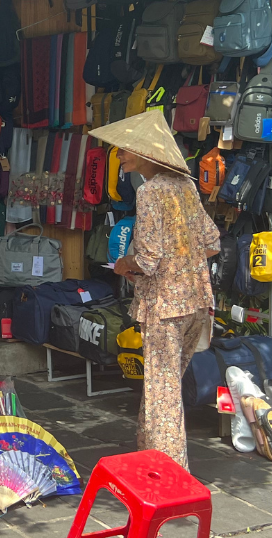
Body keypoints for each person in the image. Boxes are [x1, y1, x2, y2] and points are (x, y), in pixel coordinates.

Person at [90, 109, 219, 470]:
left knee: (162, 393)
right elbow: (211, 242)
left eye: (126, 149)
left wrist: (123, 265)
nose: (120, 154)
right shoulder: (187, 187)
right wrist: (178, 265)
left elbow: (146, 258)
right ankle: (148, 454)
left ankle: (169, 473)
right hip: (196, 301)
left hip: (164, 307)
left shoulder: (149, 193)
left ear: (148, 152)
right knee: (162, 386)